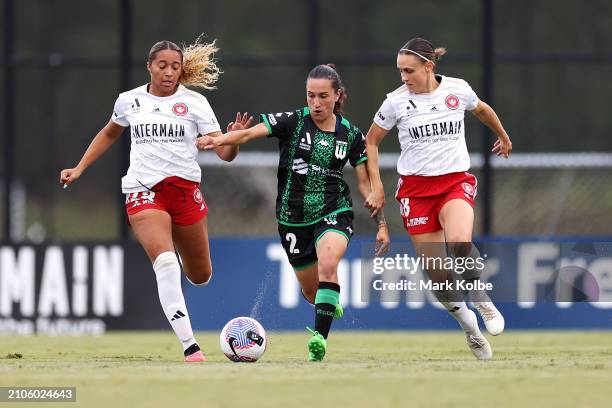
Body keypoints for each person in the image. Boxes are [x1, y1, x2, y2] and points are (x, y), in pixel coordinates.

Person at [60, 38, 249, 362]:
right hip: (143, 192)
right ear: (149, 66)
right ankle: (190, 346)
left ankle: (184, 272)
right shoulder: (129, 101)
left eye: (175, 66)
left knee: (201, 275)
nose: (168, 72)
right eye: (162, 65)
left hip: (185, 194)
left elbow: (224, 152)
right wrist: (79, 167)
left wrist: (232, 140)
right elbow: (109, 132)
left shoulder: (195, 103)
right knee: (165, 262)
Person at [198, 64, 391, 361]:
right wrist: (218, 140)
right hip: (292, 218)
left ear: (337, 96)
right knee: (313, 293)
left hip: (334, 209)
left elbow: (366, 186)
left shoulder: (351, 134)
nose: (315, 103)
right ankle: (327, 299)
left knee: (329, 264)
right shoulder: (292, 121)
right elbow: (250, 133)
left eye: (323, 96)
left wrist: (381, 223)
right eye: (310, 95)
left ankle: (319, 341)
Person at [364, 37, 512, 360]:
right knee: (438, 274)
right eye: (400, 71)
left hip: (453, 182)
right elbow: (371, 141)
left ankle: (481, 298)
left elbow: (482, 109)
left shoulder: (457, 90)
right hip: (416, 193)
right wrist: (376, 186)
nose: (404, 77)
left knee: (460, 240)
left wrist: (502, 135)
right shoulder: (395, 102)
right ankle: (468, 325)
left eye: (409, 71)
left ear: (429, 67)